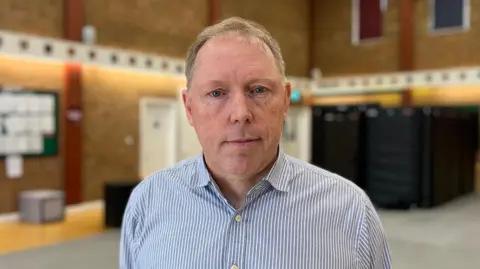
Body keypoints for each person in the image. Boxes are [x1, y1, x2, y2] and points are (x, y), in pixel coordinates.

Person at [119, 16, 392, 269]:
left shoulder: (350, 211)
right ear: (189, 109)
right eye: (216, 93)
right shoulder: (148, 203)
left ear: (285, 100)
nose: (240, 114)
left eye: (258, 90)